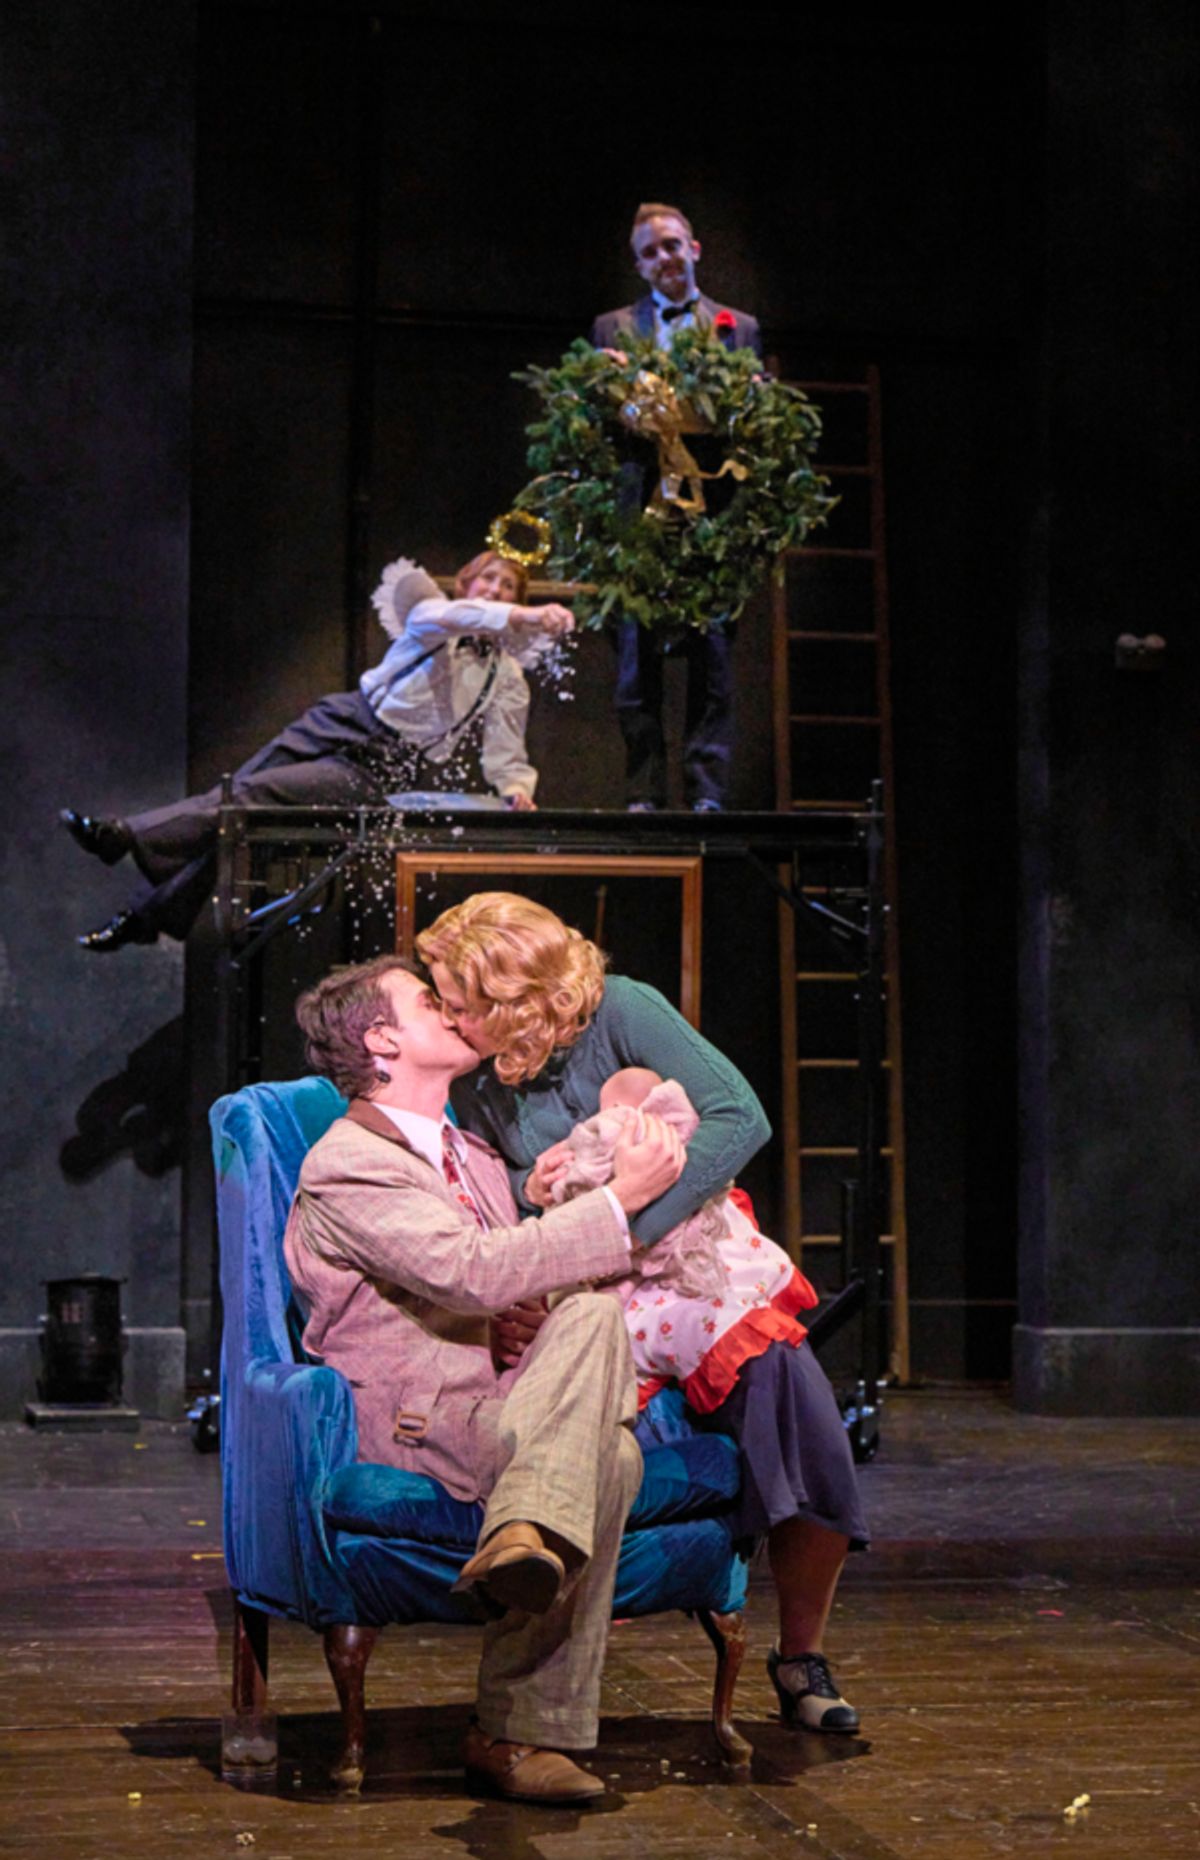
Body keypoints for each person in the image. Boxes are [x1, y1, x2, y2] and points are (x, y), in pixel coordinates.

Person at [417, 892, 868, 1735]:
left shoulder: (622, 1011)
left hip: (684, 1260)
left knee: (795, 1400)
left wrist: (623, 1231)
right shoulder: (474, 1079)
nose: (443, 1011)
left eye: (455, 996)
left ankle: (801, 1654)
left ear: (510, 996)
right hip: (586, 1291)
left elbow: (739, 1119)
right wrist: (535, 1190)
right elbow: (491, 1193)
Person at [283, 952, 685, 1803]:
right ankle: (514, 1733)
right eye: (430, 1001)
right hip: (419, 1429)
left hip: (503, 1409)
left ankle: (525, 1534)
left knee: (588, 1318)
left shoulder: (467, 1151)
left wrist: (530, 1316)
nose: (456, 1012)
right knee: (609, 1460)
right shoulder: (349, 1160)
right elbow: (469, 1271)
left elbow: (505, 1286)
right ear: (382, 1037)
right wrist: (616, 1204)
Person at [60, 552, 574, 951]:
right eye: (489, 580)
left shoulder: (506, 677)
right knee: (235, 801)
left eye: (508, 586)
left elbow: (506, 746)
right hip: (343, 717)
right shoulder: (433, 616)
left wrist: (515, 789)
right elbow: (469, 614)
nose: (496, 590)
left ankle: (126, 838)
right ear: (467, 584)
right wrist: (524, 612)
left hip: (380, 762)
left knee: (255, 796)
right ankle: (145, 913)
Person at [591, 202, 761, 814]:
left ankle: (706, 791)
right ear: (638, 267)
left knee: (712, 654)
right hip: (641, 505)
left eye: (671, 245)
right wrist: (600, 390)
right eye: (650, 252)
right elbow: (599, 425)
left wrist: (755, 402)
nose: (663, 258)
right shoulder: (612, 328)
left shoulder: (735, 325)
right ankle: (644, 791)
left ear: (694, 248)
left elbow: (747, 425)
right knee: (637, 660)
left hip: (710, 506)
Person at [550, 1067, 822, 1417]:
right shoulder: (610, 1135)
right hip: (637, 1267)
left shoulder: (661, 1132)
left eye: (615, 1109)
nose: (612, 1118)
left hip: (684, 1247)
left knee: (738, 1327)